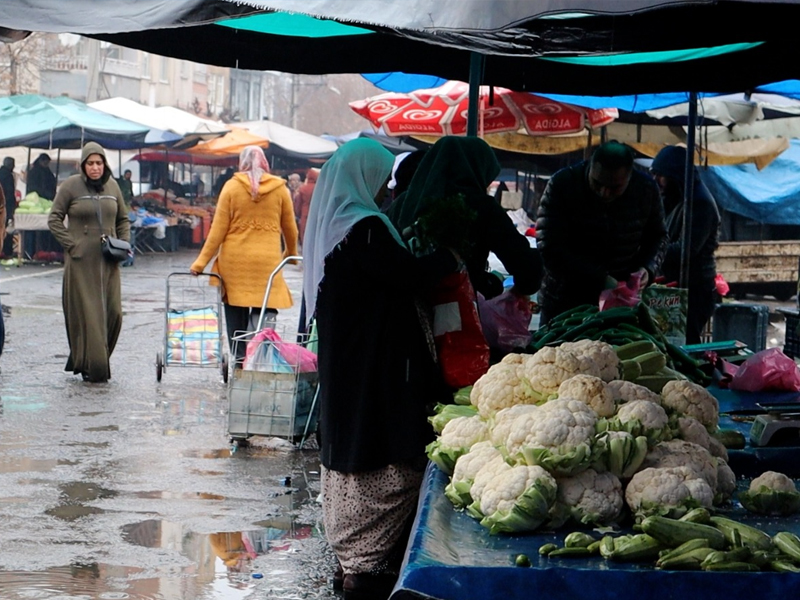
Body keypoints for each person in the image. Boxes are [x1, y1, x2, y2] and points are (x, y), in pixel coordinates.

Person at [302, 138, 457, 600]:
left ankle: (355, 562)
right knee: (379, 447)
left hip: (350, 362)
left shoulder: (339, 226)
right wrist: (446, 258)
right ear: (363, 178)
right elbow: (408, 275)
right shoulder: (364, 227)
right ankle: (363, 570)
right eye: (382, 179)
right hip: (370, 363)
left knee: (354, 438)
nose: (388, 190)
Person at [388, 136, 543, 301]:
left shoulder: (403, 203)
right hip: (456, 316)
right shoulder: (480, 206)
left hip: (401, 311)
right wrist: (490, 283)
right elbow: (527, 270)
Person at [535, 141, 668, 325]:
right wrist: (600, 279)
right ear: (590, 167)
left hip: (620, 304)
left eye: (615, 187)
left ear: (629, 177)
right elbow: (549, 246)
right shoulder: (562, 184)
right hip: (564, 302)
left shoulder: (646, 190)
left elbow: (658, 237)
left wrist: (647, 268)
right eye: (597, 183)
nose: (604, 192)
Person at [190, 146, 298, 362]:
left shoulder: (231, 187)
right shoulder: (280, 190)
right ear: (265, 163)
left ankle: (240, 358)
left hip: (234, 262)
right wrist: (291, 253)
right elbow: (290, 228)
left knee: (235, 310)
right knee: (265, 306)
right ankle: (256, 351)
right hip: (267, 262)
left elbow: (217, 231)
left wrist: (200, 263)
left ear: (242, 163)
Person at [47, 142, 130, 383]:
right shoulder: (71, 186)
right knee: (91, 316)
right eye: (90, 163)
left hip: (109, 260)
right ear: (83, 165)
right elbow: (54, 219)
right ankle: (95, 369)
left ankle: (92, 359)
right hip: (82, 262)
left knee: (114, 313)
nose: (95, 168)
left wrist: (123, 243)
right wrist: (72, 244)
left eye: (99, 163)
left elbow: (123, 219)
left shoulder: (112, 186)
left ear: (104, 164)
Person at [651, 145, 721, 344]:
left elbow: (685, 250)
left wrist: (649, 251)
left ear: (676, 175)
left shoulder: (699, 203)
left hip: (694, 290)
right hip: (674, 285)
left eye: (661, 175)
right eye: (654, 174)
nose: (656, 180)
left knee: (685, 345)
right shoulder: (674, 197)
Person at [294, 168, 318, 242]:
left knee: (304, 236)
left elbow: (298, 204)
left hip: (305, 215)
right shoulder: (319, 188)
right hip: (316, 215)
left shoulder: (302, 189)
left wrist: (297, 214)